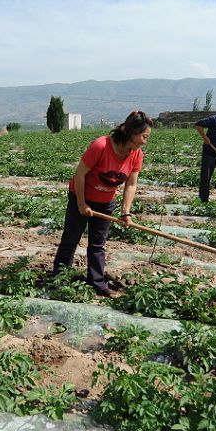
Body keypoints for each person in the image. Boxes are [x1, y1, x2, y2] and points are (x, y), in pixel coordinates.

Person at [52, 110, 153, 296]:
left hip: (106, 203)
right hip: (81, 196)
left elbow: (131, 184)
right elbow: (80, 174)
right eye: (143, 136)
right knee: (70, 240)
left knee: (98, 244)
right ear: (130, 132)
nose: (144, 142)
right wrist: (81, 204)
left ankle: (96, 282)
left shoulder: (136, 155)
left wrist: (126, 212)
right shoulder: (101, 146)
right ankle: (59, 279)